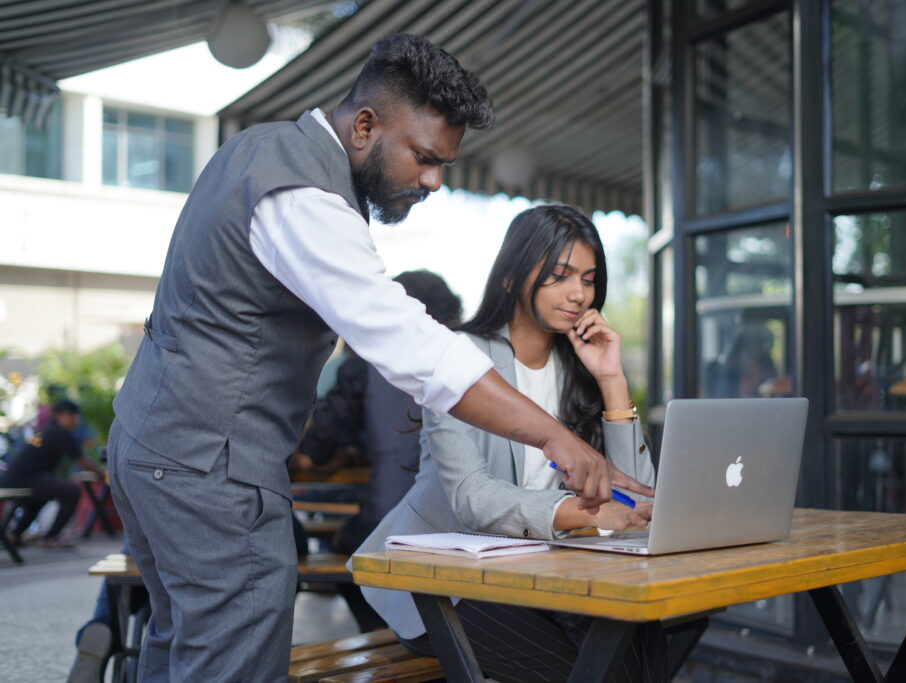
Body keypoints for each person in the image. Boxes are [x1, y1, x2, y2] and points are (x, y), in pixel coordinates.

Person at [106, 34, 653, 682]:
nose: (433, 181)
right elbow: (410, 345)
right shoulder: (305, 195)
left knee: (180, 647)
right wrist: (560, 439)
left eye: (444, 163)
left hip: (156, 443)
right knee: (232, 659)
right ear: (365, 125)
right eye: (423, 157)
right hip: (208, 458)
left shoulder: (259, 152)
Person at [357, 205, 663, 682]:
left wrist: (612, 379)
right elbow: (471, 499)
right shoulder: (457, 360)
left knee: (645, 646)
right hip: (446, 585)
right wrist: (582, 513)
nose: (579, 294)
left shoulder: (580, 366)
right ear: (510, 278)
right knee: (592, 671)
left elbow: (639, 500)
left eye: (588, 278)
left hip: (548, 572)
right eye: (559, 276)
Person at [295, 269, 462, 631]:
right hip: (460, 532)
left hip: (389, 522)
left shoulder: (362, 368)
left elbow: (313, 452)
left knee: (345, 549)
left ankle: (387, 639)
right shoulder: (466, 367)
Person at [0, 400, 104, 548]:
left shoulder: (46, 430)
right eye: (71, 416)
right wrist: (104, 473)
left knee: (38, 498)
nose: (75, 421)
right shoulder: (59, 432)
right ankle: (51, 537)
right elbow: (81, 461)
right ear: (59, 415)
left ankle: (15, 535)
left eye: (75, 416)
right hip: (26, 478)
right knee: (71, 491)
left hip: (15, 478)